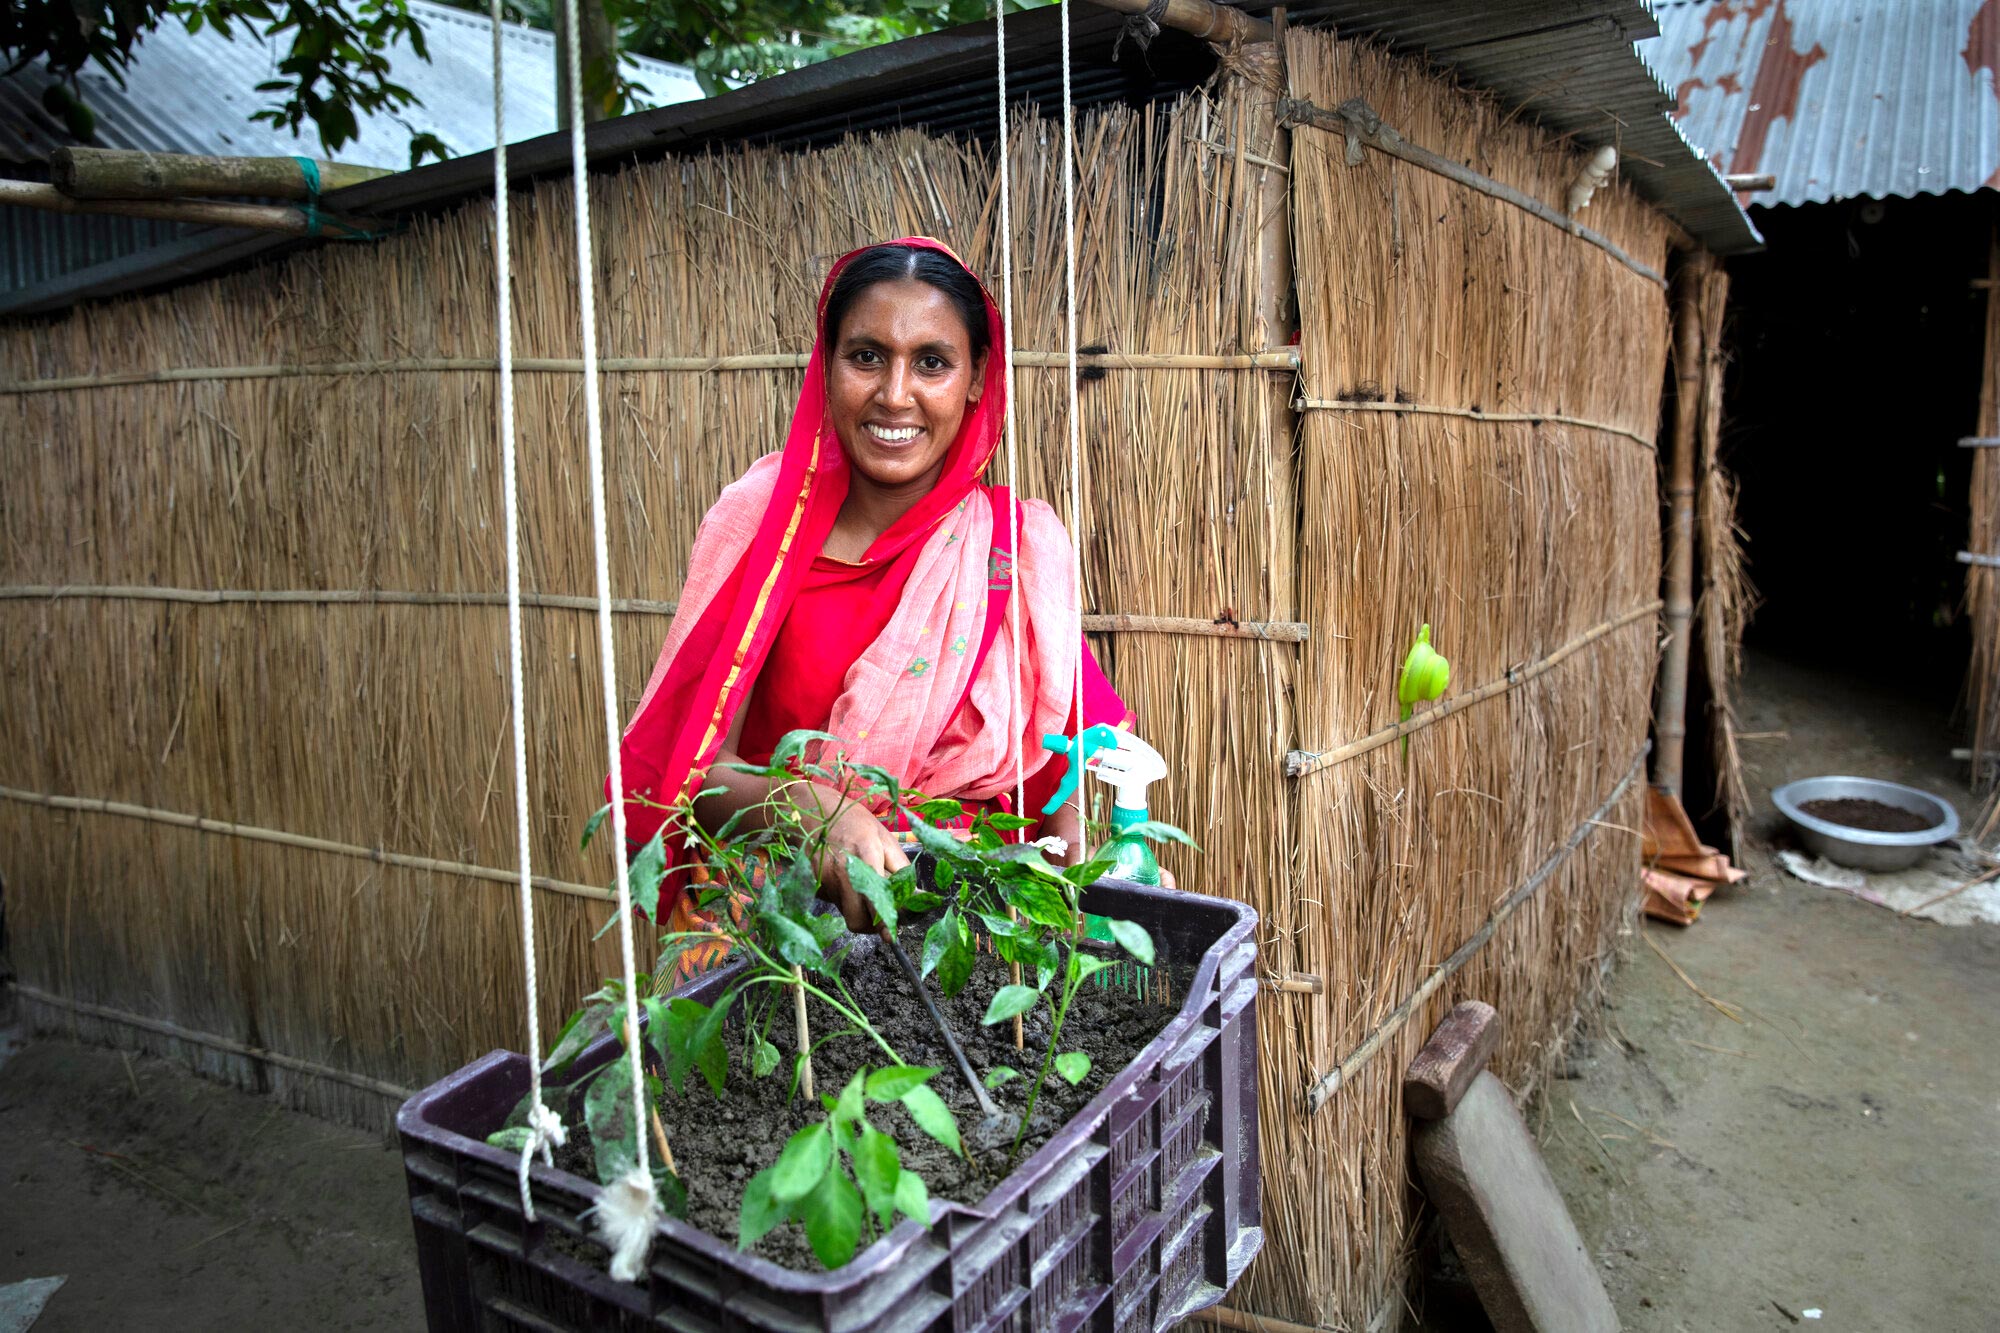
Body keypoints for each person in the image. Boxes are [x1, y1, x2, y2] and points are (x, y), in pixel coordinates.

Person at [613, 237, 1130, 952]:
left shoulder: (1011, 553)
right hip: (774, 936)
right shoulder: (761, 524)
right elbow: (696, 767)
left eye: (932, 362)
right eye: (866, 356)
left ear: (977, 377)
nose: (895, 393)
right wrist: (810, 808)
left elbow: (1060, 789)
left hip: (962, 937)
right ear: (826, 369)